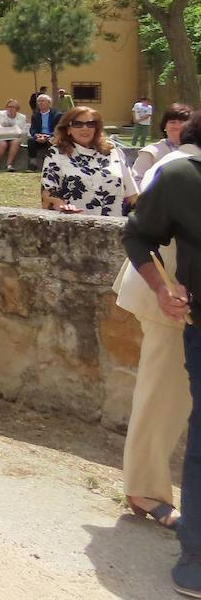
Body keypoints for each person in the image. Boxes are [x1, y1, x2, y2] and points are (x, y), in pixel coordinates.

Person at [113, 111, 201, 534]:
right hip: (171, 296)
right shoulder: (175, 168)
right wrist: (166, 289)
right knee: (163, 397)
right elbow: (142, 230)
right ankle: (144, 488)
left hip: (178, 294)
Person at [41, 106, 137, 217]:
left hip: (114, 226)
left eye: (90, 124)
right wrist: (63, 207)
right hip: (74, 225)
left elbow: (132, 194)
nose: (85, 128)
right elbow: (48, 193)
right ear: (68, 128)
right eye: (78, 124)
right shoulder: (57, 153)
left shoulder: (113, 151)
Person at [133, 103, 194, 184]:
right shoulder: (150, 152)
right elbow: (136, 181)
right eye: (172, 122)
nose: (177, 126)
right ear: (164, 126)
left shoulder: (197, 150)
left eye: (182, 122)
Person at [0, 99, 28, 171]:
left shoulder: (22, 117)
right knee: (2, 144)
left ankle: (9, 165)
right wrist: (0, 128)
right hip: (0, 136)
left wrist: (18, 130)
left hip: (14, 137)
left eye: (13, 107)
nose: (10, 108)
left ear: (17, 109)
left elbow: (24, 130)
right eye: (9, 106)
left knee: (16, 142)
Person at [26, 93, 63, 171]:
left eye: (42, 101)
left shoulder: (57, 115)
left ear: (49, 103)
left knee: (55, 142)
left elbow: (58, 129)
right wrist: (36, 135)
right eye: (38, 101)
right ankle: (33, 164)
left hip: (51, 137)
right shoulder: (35, 115)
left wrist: (47, 136)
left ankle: (52, 165)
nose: (40, 103)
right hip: (39, 137)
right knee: (31, 141)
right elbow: (32, 128)